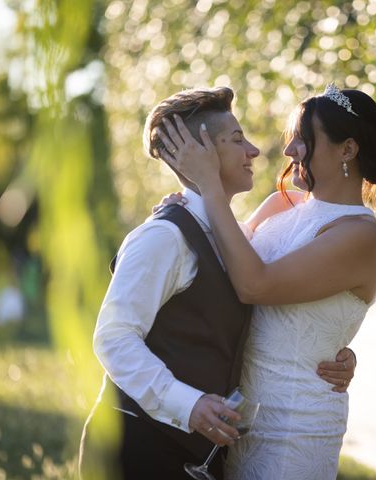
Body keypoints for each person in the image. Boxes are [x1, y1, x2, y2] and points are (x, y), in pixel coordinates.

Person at [78, 87, 357, 480]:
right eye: (237, 139)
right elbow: (114, 338)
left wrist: (333, 347)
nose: (255, 151)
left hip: (196, 454)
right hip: (136, 449)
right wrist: (189, 405)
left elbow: (278, 294)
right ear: (201, 151)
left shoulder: (236, 237)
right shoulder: (163, 237)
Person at [157, 84, 376, 479]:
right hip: (236, 412)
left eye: (303, 141)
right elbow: (224, 263)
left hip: (294, 427)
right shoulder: (281, 204)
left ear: (347, 150)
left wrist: (210, 188)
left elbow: (256, 285)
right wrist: (186, 209)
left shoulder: (362, 236)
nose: (289, 152)